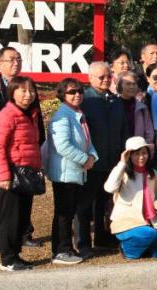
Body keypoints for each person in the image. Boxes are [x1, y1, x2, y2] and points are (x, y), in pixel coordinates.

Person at [0, 75, 44, 271]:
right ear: (12, 93)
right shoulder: (6, 116)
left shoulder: (30, 114)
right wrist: (4, 176)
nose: (29, 95)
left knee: (21, 217)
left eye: (31, 90)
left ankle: (15, 255)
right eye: (23, 90)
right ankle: (8, 259)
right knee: (10, 218)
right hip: (12, 173)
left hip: (27, 173)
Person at [45, 78, 98, 265]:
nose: (77, 94)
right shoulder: (62, 116)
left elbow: (86, 141)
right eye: (71, 92)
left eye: (80, 91)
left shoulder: (77, 114)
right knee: (63, 213)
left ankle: (66, 248)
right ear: (62, 95)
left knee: (69, 212)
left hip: (75, 171)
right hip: (64, 173)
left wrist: (92, 157)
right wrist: (84, 159)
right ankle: (61, 250)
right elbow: (62, 146)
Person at [81, 61, 127, 250]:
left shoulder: (116, 101)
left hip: (111, 160)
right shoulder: (84, 100)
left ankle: (101, 238)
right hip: (91, 161)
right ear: (90, 78)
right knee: (85, 204)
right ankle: (83, 242)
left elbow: (124, 129)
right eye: (101, 77)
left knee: (103, 201)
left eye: (109, 76)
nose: (106, 80)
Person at [105, 136, 157, 259]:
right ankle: (127, 250)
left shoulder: (153, 173)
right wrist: (122, 163)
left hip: (148, 222)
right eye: (136, 154)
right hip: (127, 222)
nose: (141, 157)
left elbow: (155, 196)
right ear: (129, 156)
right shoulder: (123, 172)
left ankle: (143, 248)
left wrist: (156, 203)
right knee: (148, 234)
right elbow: (109, 188)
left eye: (144, 153)